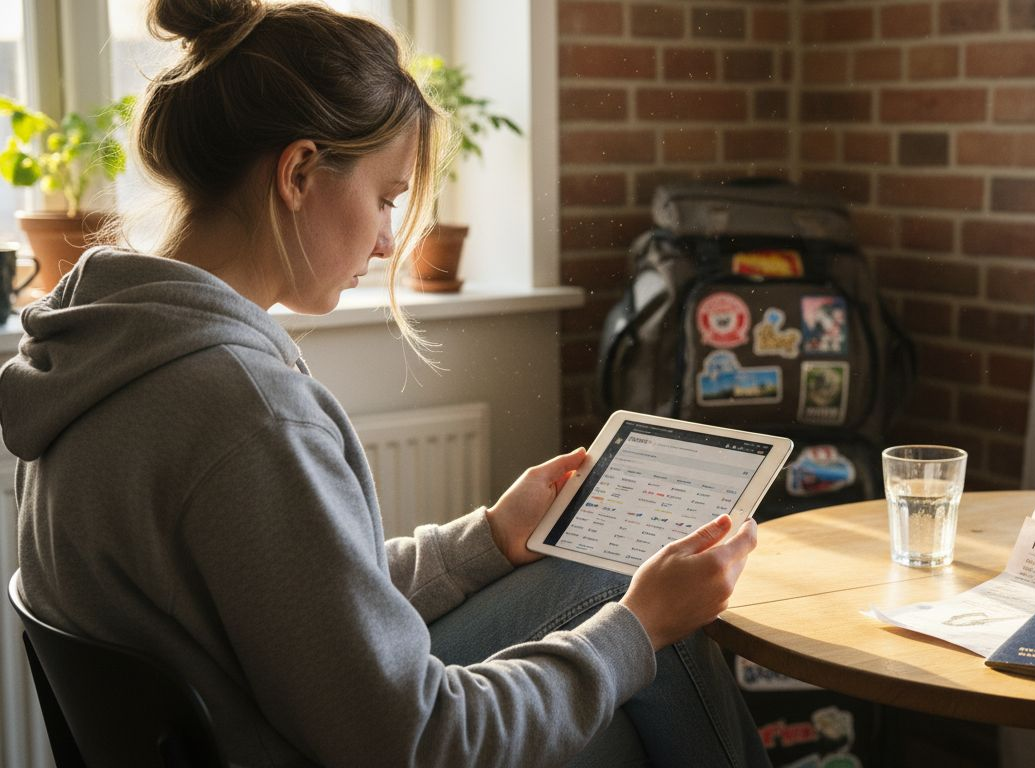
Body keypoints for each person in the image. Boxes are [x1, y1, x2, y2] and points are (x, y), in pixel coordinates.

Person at [0, 1, 770, 766]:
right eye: (386, 198)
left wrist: (489, 539)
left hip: (265, 729)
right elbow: (418, 741)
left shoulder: (96, 355)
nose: (387, 240)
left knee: (608, 608)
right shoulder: (248, 414)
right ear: (299, 172)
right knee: (627, 607)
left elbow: (306, 605)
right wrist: (641, 629)